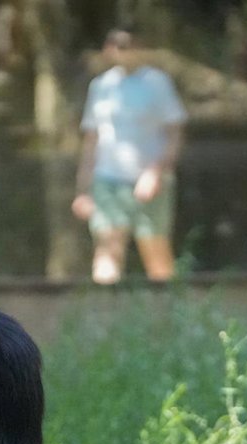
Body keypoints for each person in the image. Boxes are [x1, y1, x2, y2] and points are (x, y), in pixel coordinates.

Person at [72, 28, 187, 285]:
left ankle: (168, 307)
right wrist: (83, 190)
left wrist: (156, 172)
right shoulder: (101, 86)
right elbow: (91, 140)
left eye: (126, 45)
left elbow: (175, 134)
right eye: (114, 45)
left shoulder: (157, 82)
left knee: (156, 254)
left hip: (150, 183)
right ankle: (104, 308)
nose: (120, 51)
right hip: (107, 179)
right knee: (107, 253)